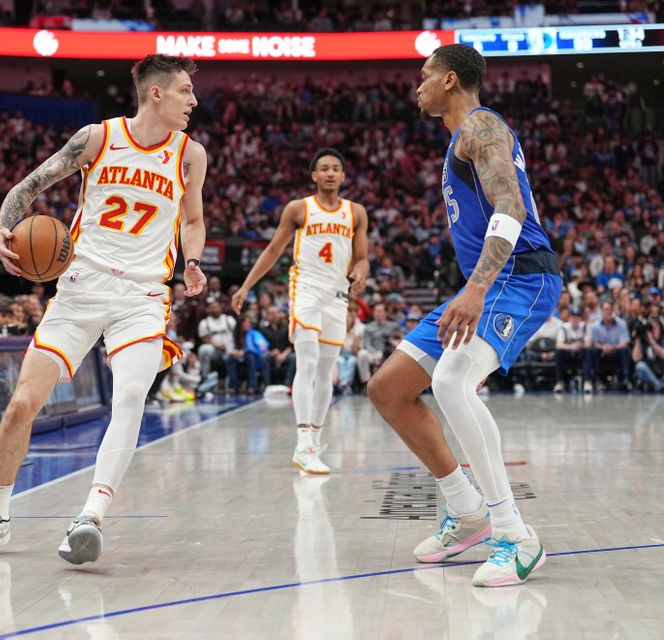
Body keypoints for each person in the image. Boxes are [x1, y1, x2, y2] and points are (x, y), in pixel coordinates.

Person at [0, 54, 207, 565]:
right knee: (23, 403)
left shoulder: (190, 155)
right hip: (79, 286)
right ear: (156, 94)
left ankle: (90, 516)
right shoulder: (97, 138)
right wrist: (1, 228)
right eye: (185, 90)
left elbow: (194, 218)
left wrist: (194, 261)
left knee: (133, 393)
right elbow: (28, 187)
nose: (193, 100)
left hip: (142, 295)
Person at [367, 45, 560, 587]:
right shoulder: (462, 137)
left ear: (450, 79)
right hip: (487, 281)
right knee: (389, 388)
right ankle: (466, 508)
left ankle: (515, 535)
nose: (417, 85)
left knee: (451, 380)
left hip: (518, 276)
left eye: (424, 76)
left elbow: (512, 211)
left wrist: (475, 288)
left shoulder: (482, 127)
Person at [231, 148, 369, 474]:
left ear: (343, 175)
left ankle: (315, 441)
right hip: (305, 290)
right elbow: (273, 249)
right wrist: (246, 286)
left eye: (336, 168)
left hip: (338, 295)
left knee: (326, 372)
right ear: (314, 175)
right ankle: (303, 442)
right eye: (324, 168)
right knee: (306, 362)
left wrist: (361, 271)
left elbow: (361, 257)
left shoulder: (356, 213)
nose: (331, 173)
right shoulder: (299, 208)